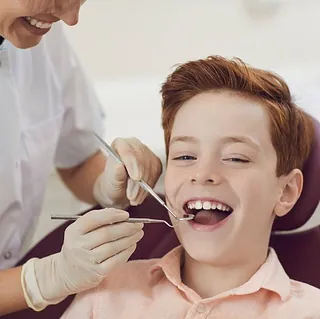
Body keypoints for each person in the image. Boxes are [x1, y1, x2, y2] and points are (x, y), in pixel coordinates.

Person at [60, 56, 320, 318]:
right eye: (185, 156)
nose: (203, 174)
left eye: (235, 158)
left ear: (286, 192)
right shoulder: (109, 292)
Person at [0, 0, 162, 315]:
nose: (71, 18)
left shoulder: (39, 33)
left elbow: (77, 160)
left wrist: (109, 180)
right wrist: (45, 279)